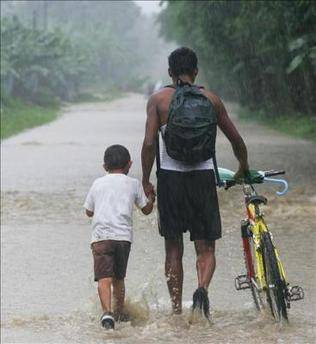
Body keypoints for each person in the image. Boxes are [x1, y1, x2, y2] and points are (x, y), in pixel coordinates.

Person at [141, 47, 249, 317]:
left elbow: (149, 143)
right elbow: (236, 140)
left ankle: (176, 311)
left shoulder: (158, 101)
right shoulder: (211, 100)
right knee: (206, 246)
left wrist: (145, 180)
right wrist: (242, 167)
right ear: (196, 71)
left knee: (174, 247)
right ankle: (202, 290)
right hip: (202, 178)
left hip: (170, 180)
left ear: (170, 72)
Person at [84, 144, 155, 329]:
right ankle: (120, 312)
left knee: (103, 278)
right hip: (123, 239)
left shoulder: (97, 183)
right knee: (119, 278)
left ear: (104, 166)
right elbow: (146, 210)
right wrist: (152, 198)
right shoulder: (133, 184)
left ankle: (107, 313)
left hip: (101, 237)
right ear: (129, 164)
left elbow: (88, 211)